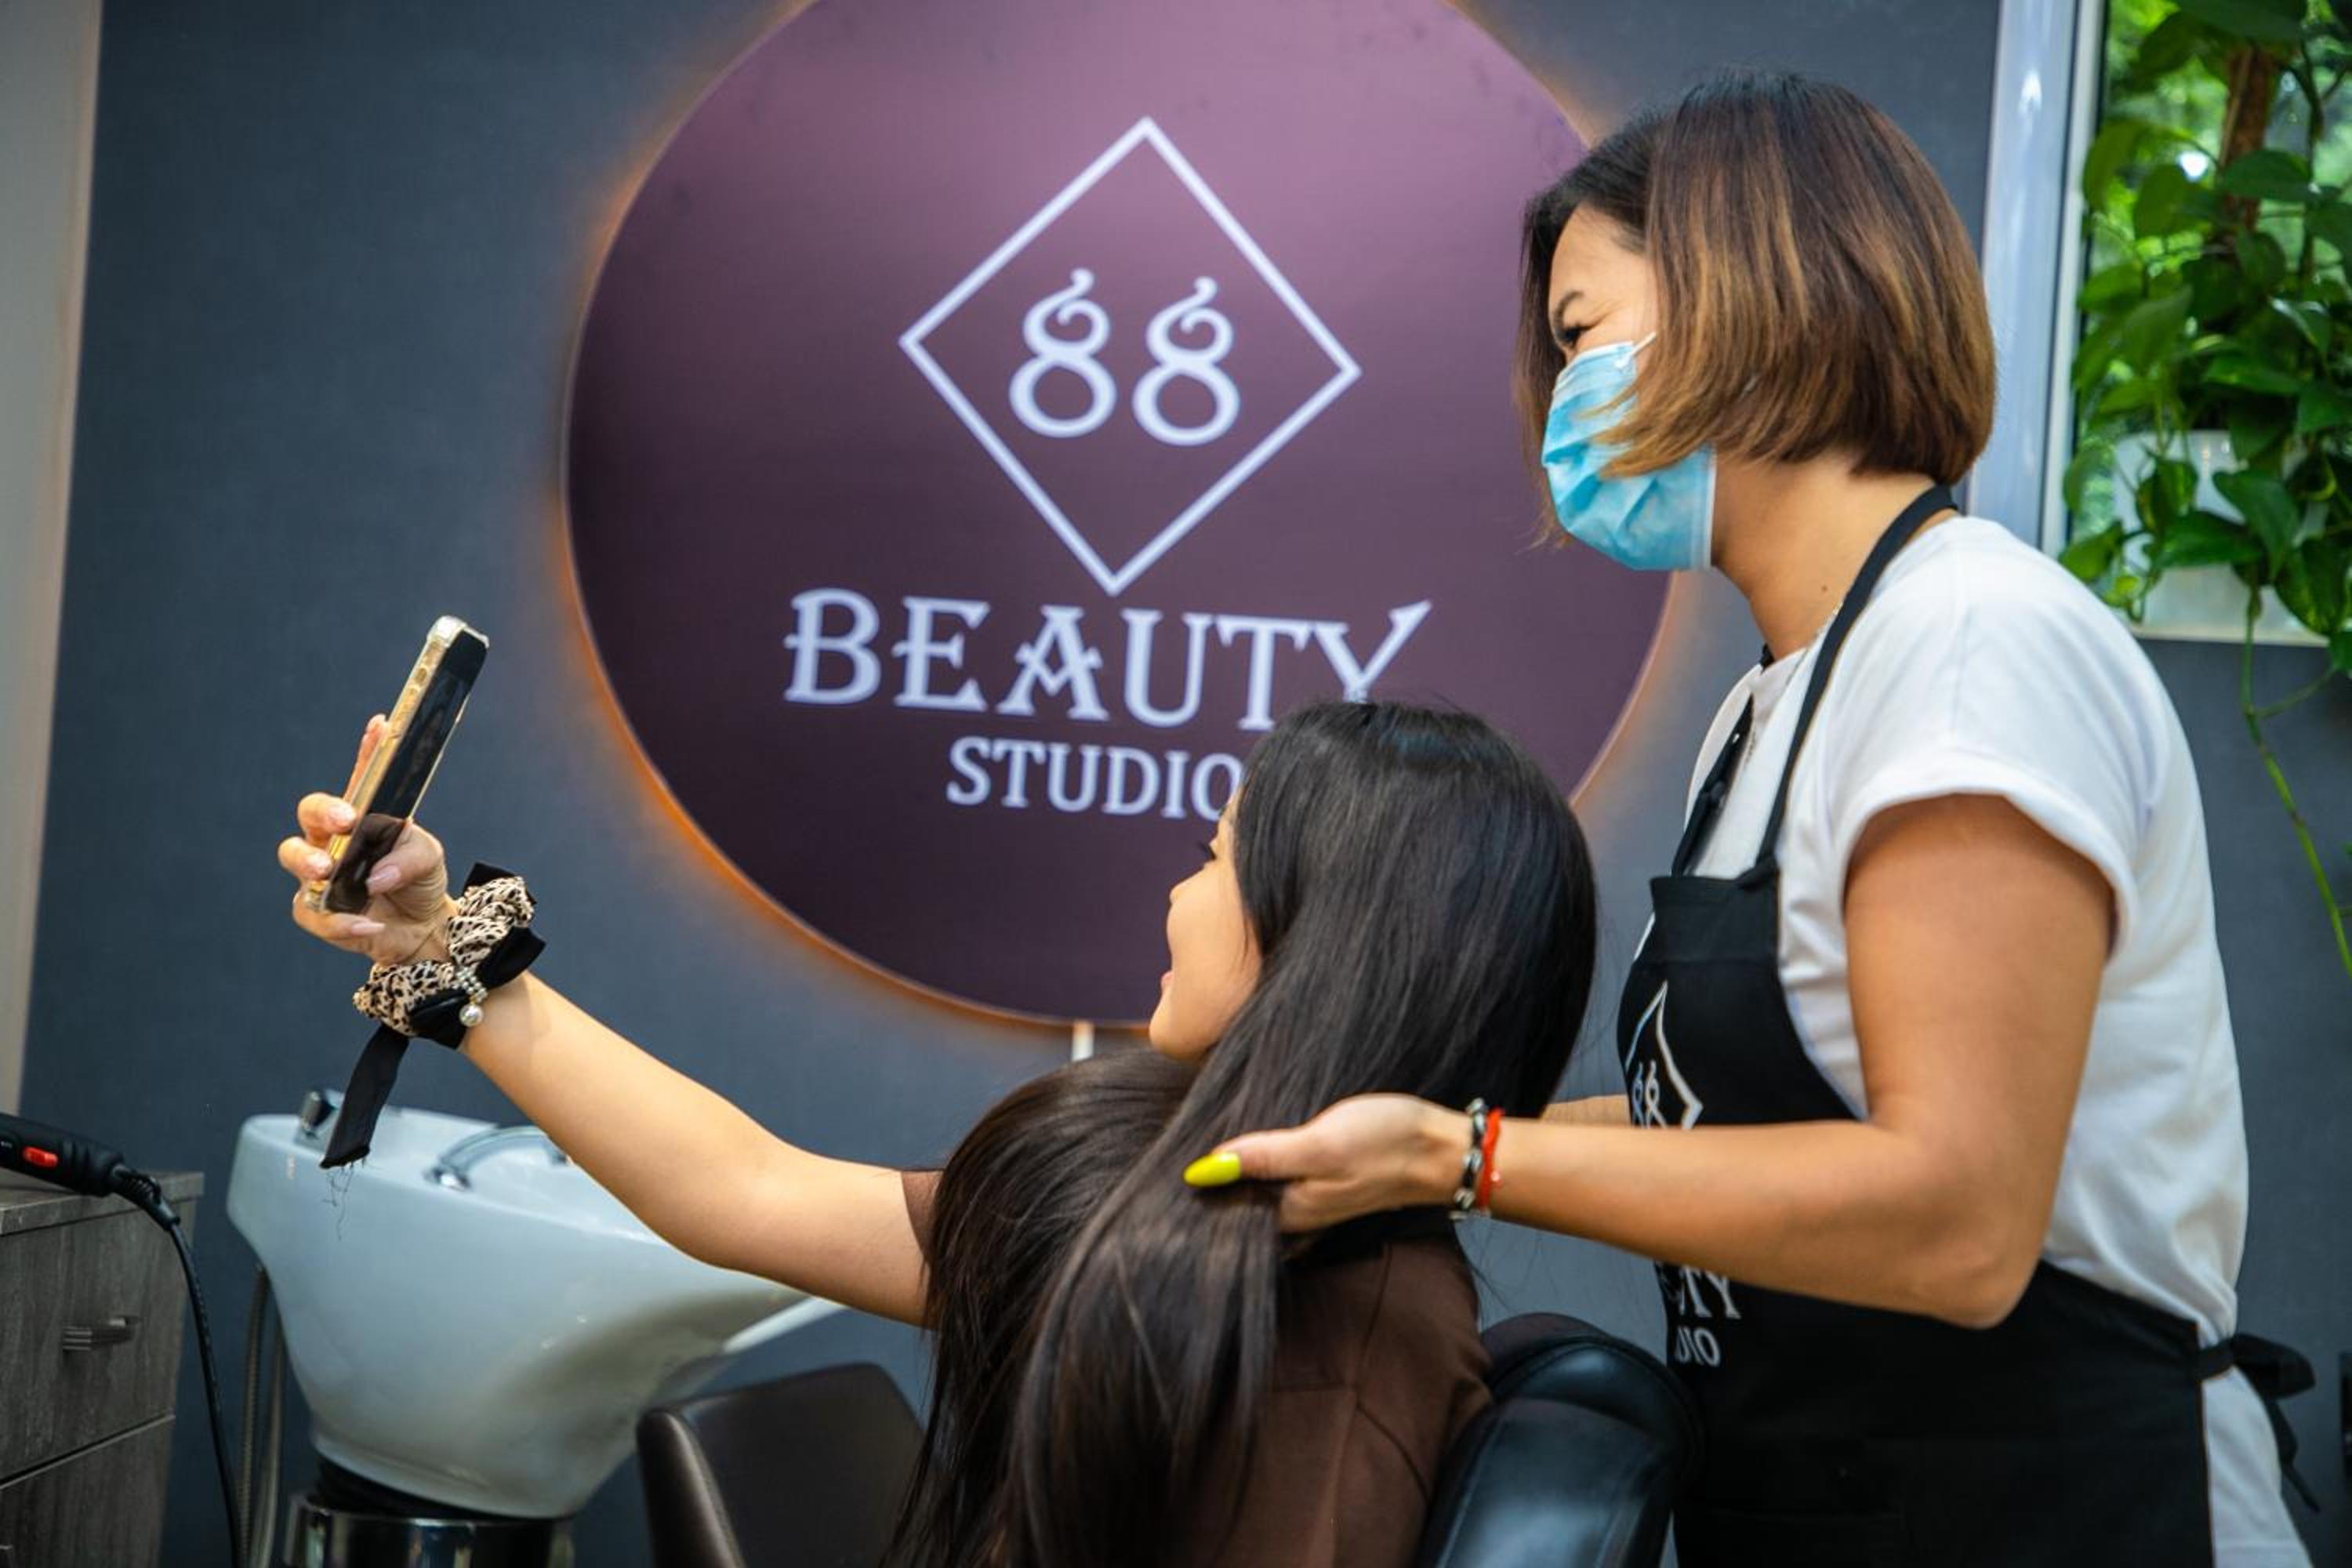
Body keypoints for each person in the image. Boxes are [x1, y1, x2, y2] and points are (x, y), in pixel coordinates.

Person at [1185, 71, 2310, 1566]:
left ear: (1745, 293)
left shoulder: (1970, 648)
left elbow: (1959, 1221)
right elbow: (1729, 1127)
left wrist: (1460, 1159)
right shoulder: (1769, 707)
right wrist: (1391, 1130)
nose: (1564, 399)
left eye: (1582, 333)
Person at [278, 699, 1597, 1568]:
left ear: (1320, 945)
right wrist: (437, 950)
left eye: (1211, 858)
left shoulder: (1344, 1349)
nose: (1175, 892)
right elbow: (742, 1191)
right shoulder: (1165, 1215)